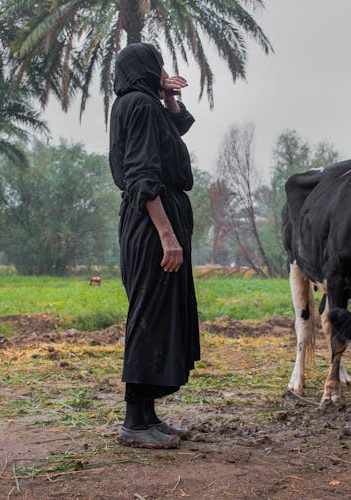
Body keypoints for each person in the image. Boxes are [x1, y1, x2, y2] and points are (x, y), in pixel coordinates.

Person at [108, 43, 200, 449]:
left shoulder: (142, 104)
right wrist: (167, 235)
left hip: (150, 217)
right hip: (152, 222)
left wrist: (168, 96)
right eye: (158, 65)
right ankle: (134, 422)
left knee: (157, 315)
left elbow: (175, 131)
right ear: (144, 68)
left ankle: (147, 417)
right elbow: (143, 176)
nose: (164, 70)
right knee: (148, 316)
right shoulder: (140, 107)